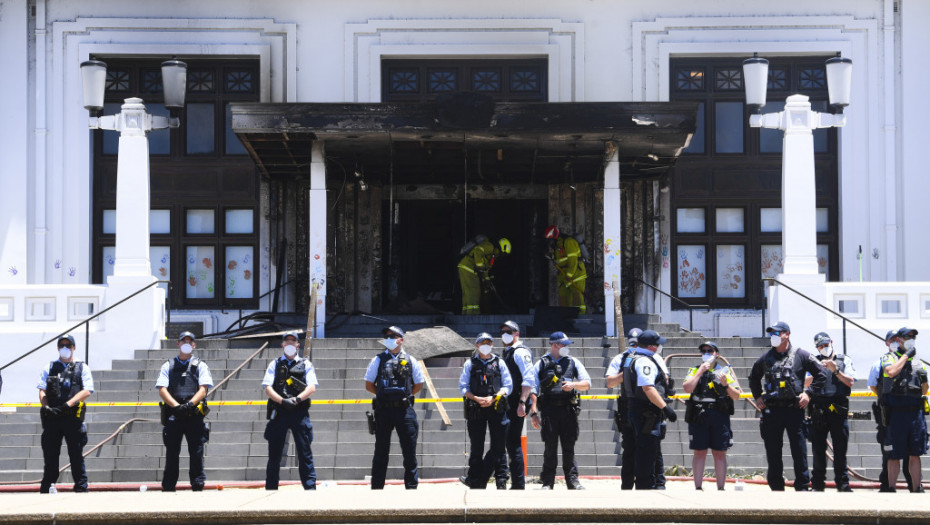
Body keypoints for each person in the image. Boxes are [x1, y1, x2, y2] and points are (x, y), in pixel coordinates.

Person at [748, 321, 825, 491]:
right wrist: (757, 397)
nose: (773, 337)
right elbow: (753, 377)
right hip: (772, 410)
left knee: (799, 450)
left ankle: (802, 486)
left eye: (777, 333)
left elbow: (821, 375)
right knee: (773, 451)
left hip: (794, 409)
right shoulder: (766, 357)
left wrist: (808, 393)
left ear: (787, 334)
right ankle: (776, 487)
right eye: (771, 333)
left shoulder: (801, 355)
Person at [364, 326, 425, 489]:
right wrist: (383, 395)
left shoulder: (411, 360)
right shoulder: (377, 360)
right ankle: (377, 488)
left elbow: (418, 384)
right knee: (381, 451)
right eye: (387, 336)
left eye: (393, 336)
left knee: (409, 451)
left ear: (402, 339)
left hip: (404, 410)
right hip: (383, 410)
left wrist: (405, 396)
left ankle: (411, 487)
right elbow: (369, 384)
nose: (389, 338)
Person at [530, 331, 591, 490]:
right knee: (550, 447)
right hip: (549, 410)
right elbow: (533, 390)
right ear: (555, 345)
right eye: (564, 344)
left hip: (568, 410)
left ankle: (572, 481)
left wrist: (574, 385)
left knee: (568, 446)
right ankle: (548, 482)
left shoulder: (573, 362)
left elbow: (587, 383)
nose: (567, 348)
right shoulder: (542, 363)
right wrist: (534, 413)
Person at [156, 331, 213, 492]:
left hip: (193, 414)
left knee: (196, 450)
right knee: (172, 452)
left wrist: (189, 405)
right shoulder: (168, 365)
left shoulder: (200, 365)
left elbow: (203, 389)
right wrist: (176, 406)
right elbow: (162, 389)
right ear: (178, 344)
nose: (187, 343)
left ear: (194, 345)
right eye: (184, 341)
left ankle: (197, 482)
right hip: (174, 414)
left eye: (190, 341)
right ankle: (169, 485)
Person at [262, 331, 319, 490]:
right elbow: (267, 388)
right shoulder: (274, 364)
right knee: (275, 453)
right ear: (282, 345)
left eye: (292, 341)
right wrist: (282, 401)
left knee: (304, 451)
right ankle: (271, 487)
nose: (289, 344)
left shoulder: (306, 364)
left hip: (299, 412)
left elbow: (312, 387)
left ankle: (310, 488)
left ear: (298, 345)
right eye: (286, 341)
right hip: (279, 411)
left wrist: (297, 399)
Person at [38, 334, 94, 493]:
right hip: (52, 418)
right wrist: (47, 407)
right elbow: (42, 390)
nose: (65, 348)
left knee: (76, 456)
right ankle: (46, 489)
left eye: (68, 345)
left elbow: (87, 390)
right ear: (57, 348)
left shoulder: (82, 367)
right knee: (50, 458)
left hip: (72, 417)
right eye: (61, 345)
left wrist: (67, 405)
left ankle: (81, 489)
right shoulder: (49, 366)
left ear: (74, 347)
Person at [682, 341, 741, 491]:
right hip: (699, 413)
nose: (707, 353)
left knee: (720, 451)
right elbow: (687, 388)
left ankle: (721, 487)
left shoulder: (725, 371)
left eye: (710, 350)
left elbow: (737, 396)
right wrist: (700, 372)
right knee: (699, 451)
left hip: (719, 413)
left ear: (717, 354)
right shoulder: (694, 369)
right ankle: (698, 487)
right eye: (704, 351)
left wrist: (725, 385)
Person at [623, 329, 677, 490]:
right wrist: (666, 408)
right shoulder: (644, 361)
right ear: (652, 346)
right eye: (658, 344)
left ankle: (650, 484)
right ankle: (646, 487)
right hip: (646, 412)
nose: (659, 347)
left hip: (636, 409)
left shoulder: (631, 357)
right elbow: (647, 388)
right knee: (646, 450)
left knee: (646, 449)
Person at [459, 332, 513, 489]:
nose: (485, 345)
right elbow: (463, 386)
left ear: (492, 345)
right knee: (477, 445)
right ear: (476, 345)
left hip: (496, 406)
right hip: (476, 407)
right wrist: (475, 398)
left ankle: (501, 479)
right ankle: (474, 479)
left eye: (488, 342)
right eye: (482, 342)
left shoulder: (499, 362)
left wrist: (494, 397)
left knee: (499, 445)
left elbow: (508, 385)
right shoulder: (470, 364)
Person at [877, 327, 927, 493]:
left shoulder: (917, 361)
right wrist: (906, 356)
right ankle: (891, 488)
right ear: (899, 340)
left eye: (913, 336)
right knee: (893, 454)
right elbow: (890, 372)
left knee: (915, 453)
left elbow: (925, 390)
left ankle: (917, 488)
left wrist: (924, 377)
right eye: (907, 336)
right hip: (896, 413)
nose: (911, 339)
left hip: (915, 413)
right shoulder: (889, 357)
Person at [806, 332, 856, 492]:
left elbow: (850, 382)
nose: (823, 348)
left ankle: (843, 484)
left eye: (825, 344)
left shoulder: (843, 360)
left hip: (838, 408)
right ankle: (818, 484)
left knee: (840, 449)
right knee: (818, 450)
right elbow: (804, 382)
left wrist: (835, 370)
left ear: (831, 342)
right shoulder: (812, 361)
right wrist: (818, 371)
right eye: (820, 346)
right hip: (819, 409)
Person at [868, 330, 913, 492]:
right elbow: (873, 386)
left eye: (897, 339)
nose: (894, 342)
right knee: (887, 449)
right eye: (891, 340)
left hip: (907, 410)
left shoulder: (910, 360)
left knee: (910, 450)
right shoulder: (880, 362)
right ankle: (887, 484)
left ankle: (913, 484)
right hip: (888, 412)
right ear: (886, 343)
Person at [494, 320, 537, 490]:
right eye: (503, 331)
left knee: (512, 442)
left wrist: (522, 402)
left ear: (517, 333)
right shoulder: (508, 352)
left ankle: (517, 483)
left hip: (516, 401)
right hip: (508, 402)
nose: (505, 334)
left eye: (509, 331)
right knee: (509, 442)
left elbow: (528, 378)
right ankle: (511, 481)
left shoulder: (520, 352)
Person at [605, 327, 644, 490]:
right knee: (628, 449)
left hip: (645, 409)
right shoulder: (620, 359)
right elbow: (610, 382)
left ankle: (647, 484)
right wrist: (626, 371)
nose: (634, 346)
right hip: (627, 409)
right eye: (632, 343)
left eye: (637, 343)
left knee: (647, 449)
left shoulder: (649, 358)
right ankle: (627, 486)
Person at [457, 236, 511, 315]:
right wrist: (480, 266)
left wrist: (487, 279)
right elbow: (477, 250)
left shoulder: (492, 256)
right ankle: (473, 314)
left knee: (467, 292)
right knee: (474, 291)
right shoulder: (490, 246)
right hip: (469, 268)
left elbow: (485, 269)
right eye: (503, 253)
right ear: (502, 247)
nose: (501, 256)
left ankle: (466, 314)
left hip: (465, 268)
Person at [544, 225, 587, 314]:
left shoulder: (568, 242)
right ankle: (565, 319)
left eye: (551, 238)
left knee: (577, 300)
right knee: (563, 300)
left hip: (576, 276)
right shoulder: (557, 245)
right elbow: (560, 259)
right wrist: (550, 256)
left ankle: (580, 318)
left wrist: (569, 275)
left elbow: (573, 260)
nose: (550, 241)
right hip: (563, 277)